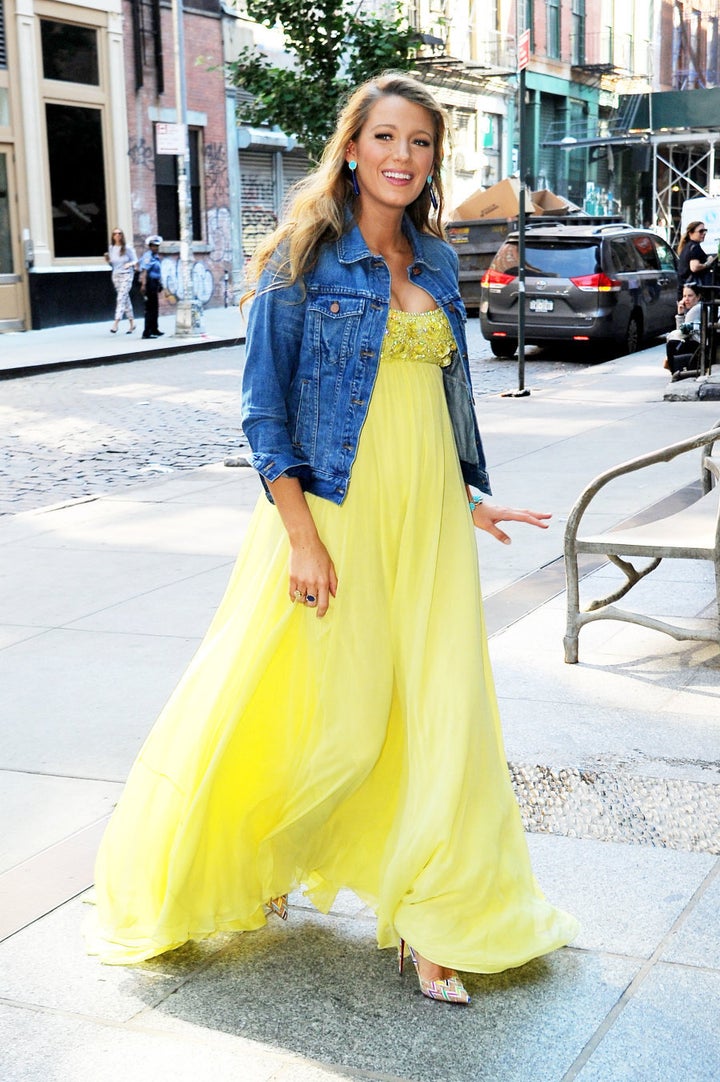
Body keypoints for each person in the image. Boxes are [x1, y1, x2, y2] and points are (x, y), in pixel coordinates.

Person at [87, 73, 578, 1004]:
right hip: (336, 517)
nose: (402, 157)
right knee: (328, 717)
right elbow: (263, 413)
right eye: (385, 137)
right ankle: (259, 850)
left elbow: (433, 400)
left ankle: (434, 917)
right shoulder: (299, 261)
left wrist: (468, 499)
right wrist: (303, 537)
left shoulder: (435, 260)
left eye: (421, 143)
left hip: (429, 521)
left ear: (434, 158)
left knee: (441, 715)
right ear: (351, 147)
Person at [664, 281, 703, 380]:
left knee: (672, 344)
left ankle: (675, 374)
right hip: (694, 342)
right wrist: (680, 314)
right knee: (674, 343)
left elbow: (681, 334)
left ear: (698, 297)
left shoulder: (696, 309)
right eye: (684, 296)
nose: (686, 299)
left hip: (698, 344)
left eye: (690, 296)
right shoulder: (693, 309)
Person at [104, 228, 137, 334]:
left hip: (127, 275)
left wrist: (129, 264)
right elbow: (112, 264)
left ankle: (116, 323)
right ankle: (132, 323)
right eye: (115, 234)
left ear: (122, 235)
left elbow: (135, 260)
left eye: (119, 233)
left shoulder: (127, 248)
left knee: (120, 298)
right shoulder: (111, 248)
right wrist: (108, 261)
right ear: (113, 236)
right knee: (125, 299)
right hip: (116, 275)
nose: (117, 235)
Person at [676, 221, 716, 296]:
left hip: (684, 289)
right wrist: (707, 263)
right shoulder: (695, 247)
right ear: (691, 233)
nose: (704, 233)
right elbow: (694, 267)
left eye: (705, 231)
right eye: (701, 231)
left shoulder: (687, 246)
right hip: (692, 291)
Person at [138, 235, 164, 339]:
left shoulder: (155, 256)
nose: (156, 248)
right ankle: (147, 332)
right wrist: (143, 285)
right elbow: (145, 270)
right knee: (150, 309)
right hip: (149, 283)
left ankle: (155, 329)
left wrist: (160, 283)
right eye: (153, 246)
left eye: (157, 246)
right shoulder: (148, 256)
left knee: (155, 308)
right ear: (149, 246)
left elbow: (157, 271)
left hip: (155, 283)